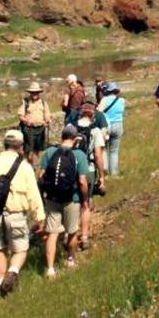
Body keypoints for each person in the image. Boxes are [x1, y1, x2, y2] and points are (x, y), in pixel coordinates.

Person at [0, 129, 45, 296]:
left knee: (0, 249)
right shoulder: (25, 167)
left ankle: (0, 286)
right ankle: (12, 272)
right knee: (20, 249)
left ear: (4, 144)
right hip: (16, 215)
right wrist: (39, 217)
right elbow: (33, 194)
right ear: (21, 147)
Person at [39, 124, 91, 276]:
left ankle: (50, 269)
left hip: (52, 198)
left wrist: (42, 197)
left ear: (62, 136)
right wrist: (85, 200)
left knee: (52, 233)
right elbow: (82, 181)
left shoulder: (49, 152)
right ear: (75, 139)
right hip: (71, 198)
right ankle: (70, 260)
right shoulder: (79, 155)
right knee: (72, 231)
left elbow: (41, 177)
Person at [73, 102, 107, 250]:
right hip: (89, 169)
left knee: (72, 202)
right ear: (93, 114)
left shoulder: (70, 127)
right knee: (86, 204)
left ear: (81, 113)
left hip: (71, 169)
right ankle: (84, 236)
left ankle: (70, 234)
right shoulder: (95, 131)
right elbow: (98, 155)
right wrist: (102, 177)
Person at [17, 82, 51, 163]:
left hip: (40, 128)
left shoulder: (43, 102)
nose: (34, 94)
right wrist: (26, 121)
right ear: (30, 93)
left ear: (39, 93)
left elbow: (47, 114)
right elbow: (20, 116)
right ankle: (25, 165)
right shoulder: (25, 102)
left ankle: (34, 165)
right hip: (28, 129)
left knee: (37, 149)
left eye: (36, 92)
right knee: (27, 149)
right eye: (33, 92)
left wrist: (48, 120)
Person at [97, 81, 125, 177]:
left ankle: (105, 170)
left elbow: (99, 112)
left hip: (106, 126)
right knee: (114, 151)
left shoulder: (104, 100)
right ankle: (114, 172)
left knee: (104, 148)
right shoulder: (122, 100)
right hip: (118, 125)